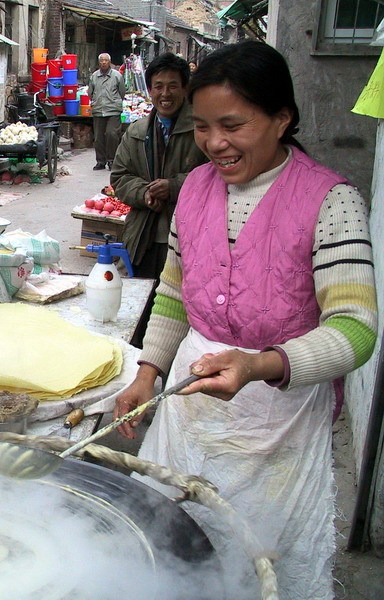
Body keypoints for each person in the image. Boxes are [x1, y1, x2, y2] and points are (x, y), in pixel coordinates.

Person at [114, 41, 376, 599]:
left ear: (282, 119)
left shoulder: (332, 201)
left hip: (276, 417)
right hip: (191, 400)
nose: (213, 144)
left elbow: (355, 329)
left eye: (232, 125)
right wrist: (147, 373)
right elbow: (175, 294)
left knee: (257, 556)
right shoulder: (194, 193)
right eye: (203, 126)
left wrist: (260, 364)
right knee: (172, 539)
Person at [110, 53, 206, 282]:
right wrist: (144, 193)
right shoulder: (136, 132)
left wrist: (174, 186)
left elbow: (216, 176)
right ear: (150, 91)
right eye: (158, 86)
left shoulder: (202, 130)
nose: (165, 94)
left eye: (172, 86)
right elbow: (120, 177)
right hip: (143, 235)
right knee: (141, 303)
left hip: (190, 236)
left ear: (185, 88)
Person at [88, 52, 126, 171]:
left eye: (106, 60)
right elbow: (90, 92)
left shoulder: (117, 76)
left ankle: (112, 160)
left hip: (113, 110)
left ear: (109, 62)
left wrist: (115, 102)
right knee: (98, 137)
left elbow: (122, 92)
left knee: (112, 134)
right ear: (99, 63)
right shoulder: (94, 76)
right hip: (98, 109)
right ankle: (100, 161)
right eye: (101, 60)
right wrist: (95, 101)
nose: (104, 62)